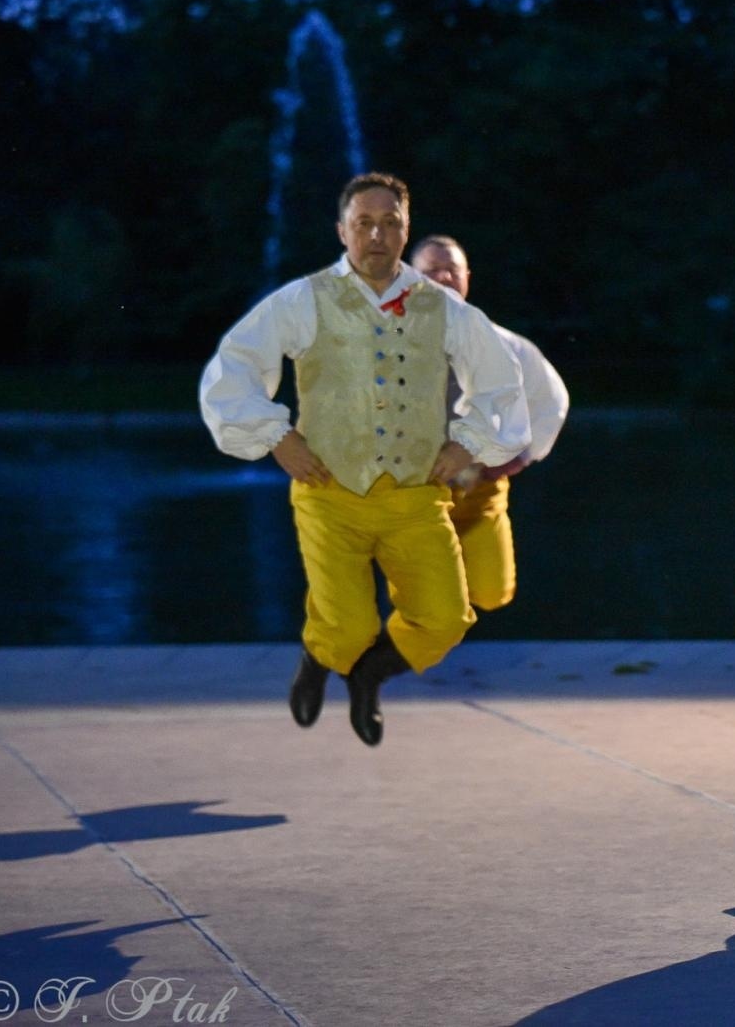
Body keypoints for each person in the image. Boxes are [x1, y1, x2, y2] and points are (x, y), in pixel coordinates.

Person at [200, 173, 532, 747]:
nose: (376, 234)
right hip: (330, 492)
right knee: (349, 624)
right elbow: (231, 369)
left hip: (416, 496)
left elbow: (502, 383)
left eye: (390, 222)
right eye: (364, 223)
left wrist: (469, 441)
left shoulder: (444, 309)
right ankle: (318, 657)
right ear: (342, 230)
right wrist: (277, 437)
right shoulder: (304, 300)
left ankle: (368, 675)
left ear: (405, 230)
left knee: (445, 619)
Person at [409, 234, 569, 615]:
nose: (444, 277)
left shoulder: (505, 343)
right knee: (430, 599)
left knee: (493, 592)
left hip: (480, 487)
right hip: (414, 494)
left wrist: (519, 458)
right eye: (433, 270)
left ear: (467, 277)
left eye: (453, 269)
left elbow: (552, 400)